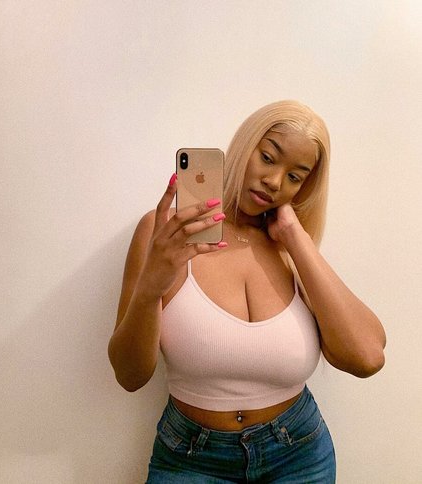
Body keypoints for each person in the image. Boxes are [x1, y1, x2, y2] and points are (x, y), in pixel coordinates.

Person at [108, 100, 386, 483]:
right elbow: (130, 375)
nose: (275, 181)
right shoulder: (165, 234)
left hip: (299, 455)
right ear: (244, 145)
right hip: (192, 460)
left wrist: (294, 236)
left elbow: (367, 358)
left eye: (295, 176)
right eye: (268, 157)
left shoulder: (291, 248)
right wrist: (150, 288)